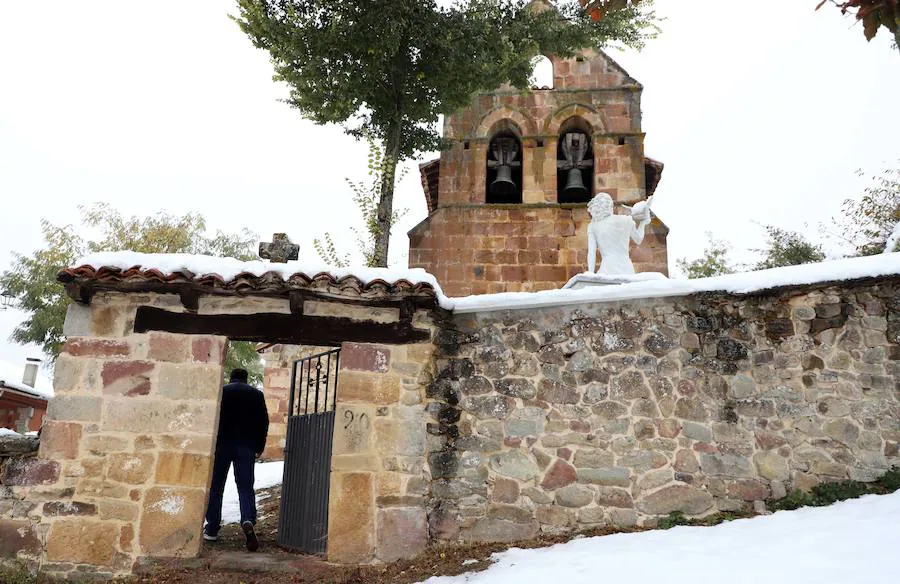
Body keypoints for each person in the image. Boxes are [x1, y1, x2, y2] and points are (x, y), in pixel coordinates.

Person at [203, 368, 269, 552]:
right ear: (246, 379)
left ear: (231, 378)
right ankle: (247, 519)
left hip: (221, 445)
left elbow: (212, 418)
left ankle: (212, 528)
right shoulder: (256, 395)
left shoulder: (222, 392)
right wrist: (259, 446)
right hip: (246, 447)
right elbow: (263, 422)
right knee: (245, 486)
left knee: (216, 487)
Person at [586, 192, 652, 275]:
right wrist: (643, 223)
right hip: (626, 267)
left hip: (607, 268)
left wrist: (590, 273)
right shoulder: (626, 220)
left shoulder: (593, 226)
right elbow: (638, 240)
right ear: (611, 206)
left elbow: (591, 252)